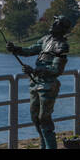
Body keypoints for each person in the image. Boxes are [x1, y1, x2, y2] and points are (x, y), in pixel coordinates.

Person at [7, 14, 73, 149]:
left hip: (48, 86)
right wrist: (16, 49)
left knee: (45, 119)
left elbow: (56, 70)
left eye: (57, 23)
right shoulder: (45, 39)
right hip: (35, 83)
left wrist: (34, 70)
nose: (52, 24)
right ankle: (43, 145)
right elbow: (30, 50)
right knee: (35, 118)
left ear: (62, 28)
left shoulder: (62, 46)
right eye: (54, 21)